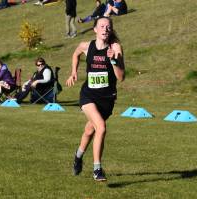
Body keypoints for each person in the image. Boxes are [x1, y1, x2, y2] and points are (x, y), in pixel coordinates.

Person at [66, 17, 125, 181]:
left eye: (108, 26)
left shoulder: (115, 48)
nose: (105, 29)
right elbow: (76, 53)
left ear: (111, 30)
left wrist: (113, 60)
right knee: (101, 127)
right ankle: (97, 169)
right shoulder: (87, 46)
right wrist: (74, 72)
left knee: (89, 130)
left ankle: (78, 157)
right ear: (95, 30)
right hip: (88, 95)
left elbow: (121, 77)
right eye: (102, 26)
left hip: (106, 99)